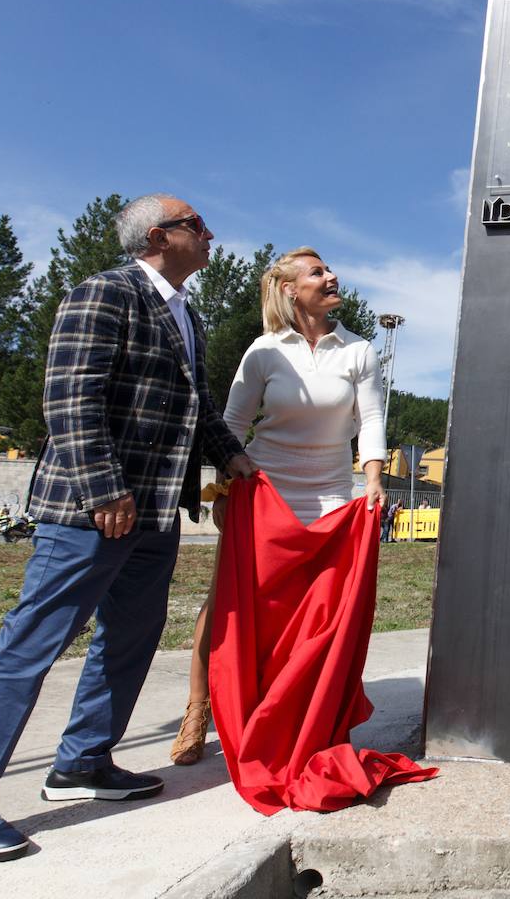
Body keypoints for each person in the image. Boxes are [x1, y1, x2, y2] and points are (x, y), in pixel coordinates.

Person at [0, 194, 254, 865]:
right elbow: (70, 397)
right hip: (92, 509)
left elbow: (198, 404)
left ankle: (83, 761)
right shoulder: (104, 293)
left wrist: (234, 455)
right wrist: (104, 488)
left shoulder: (187, 313)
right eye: (197, 226)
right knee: (32, 642)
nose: (210, 235)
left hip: (153, 511)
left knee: (130, 637)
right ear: (159, 235)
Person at [169, 247, 386, 766]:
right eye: (318, 272)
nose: (332, 276)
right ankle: (199, 709)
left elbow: (372, 420)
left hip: (332, 492)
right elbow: (231, 423)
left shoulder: (358, 351)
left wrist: (372, 480)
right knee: (231, 601)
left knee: (321, 613)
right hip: (264, 487)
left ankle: (303, 713)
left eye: (330, 268)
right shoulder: (264, 351)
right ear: (290, 289)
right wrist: (226, 483)